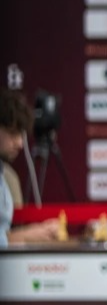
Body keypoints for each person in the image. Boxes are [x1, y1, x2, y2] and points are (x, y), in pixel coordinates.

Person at [0, 90, 56, 247]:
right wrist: (28, 235)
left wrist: (31, 233)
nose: (19, 143)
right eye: (12, 134)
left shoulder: (4, 176)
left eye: (21, 135)